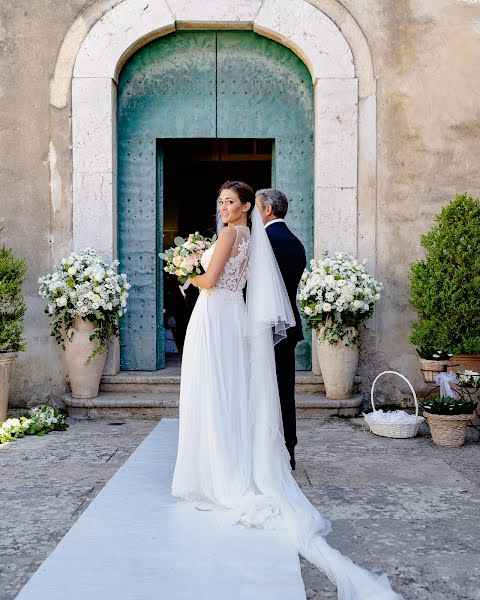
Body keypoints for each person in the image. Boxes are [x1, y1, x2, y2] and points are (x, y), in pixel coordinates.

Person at [171, 180, 402, 600]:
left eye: (230, 201)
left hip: (216, 316)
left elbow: (210, 281)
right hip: (232, 315)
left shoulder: (230, 234)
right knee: (232, 393)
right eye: (220, 200)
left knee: (214, 391)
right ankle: (238, 456)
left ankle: (217, 469)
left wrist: (186, 270)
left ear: (248, 207)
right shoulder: (252, 237)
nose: (223, 207)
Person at [255, 188, 306, 470]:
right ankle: (288, 451)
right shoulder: (295, 243)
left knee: (259, 390)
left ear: (268, 210)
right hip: (287, 330)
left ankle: (263, 451)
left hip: (263, 329)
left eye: (257, 208)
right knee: (285, 391)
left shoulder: (263, 241)